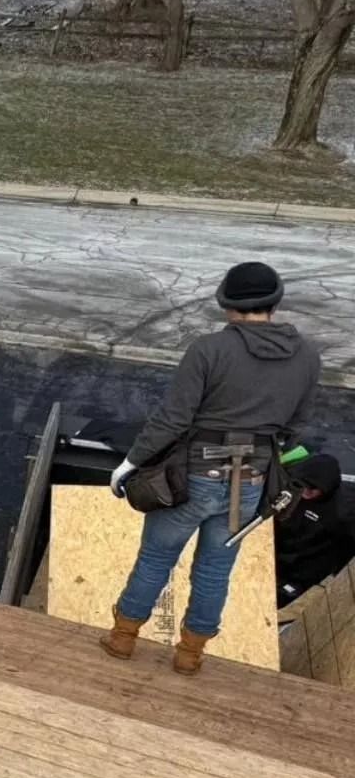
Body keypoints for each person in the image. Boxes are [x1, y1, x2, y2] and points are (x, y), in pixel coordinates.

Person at [102, 261, 320, 675]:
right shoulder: (307, 356)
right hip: (250, 483)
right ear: (274, 302)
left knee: (155, 560)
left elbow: (172, 420)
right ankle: (189, 656)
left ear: (227, 304)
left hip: (192, 478)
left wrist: (129, 463)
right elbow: (294, 428)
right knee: (215, 570)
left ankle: (123, 639)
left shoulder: (209, 349)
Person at [276, 454, 352, 605]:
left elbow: (345, 551)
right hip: (279, 549)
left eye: (313, 489)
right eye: (304, 486)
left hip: (304, 567)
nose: (306, 493)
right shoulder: (292, 489)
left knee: (279, 599)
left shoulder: (342, 513)